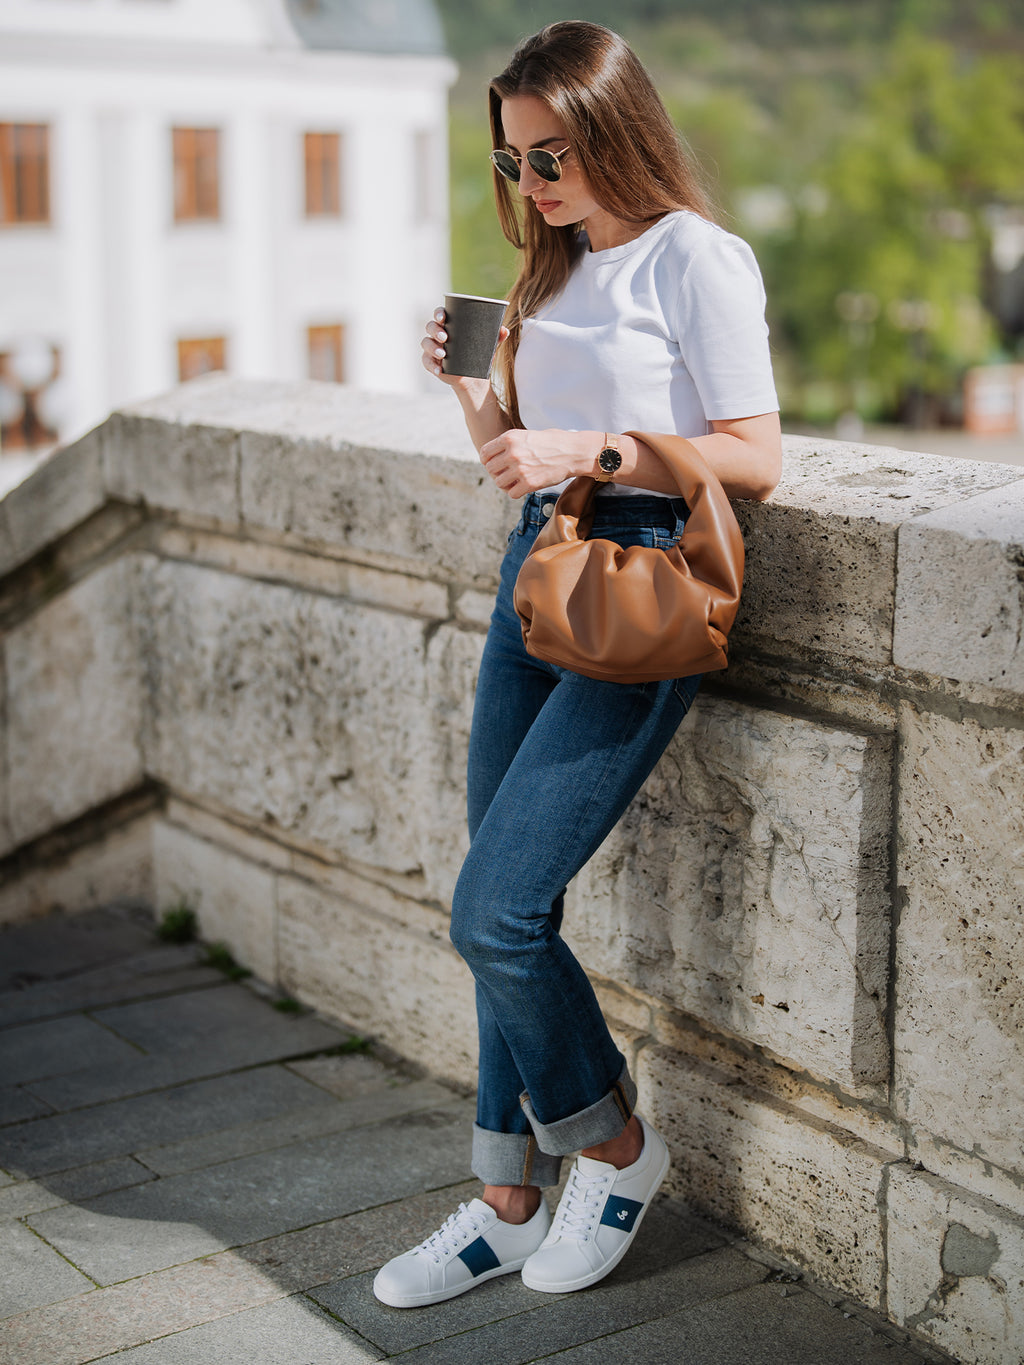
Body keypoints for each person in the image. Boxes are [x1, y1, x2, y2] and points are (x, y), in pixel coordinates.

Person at [373, 20, 781, 1309]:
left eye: (549, 152)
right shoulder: (550, 274)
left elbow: (757, 453)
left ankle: (613, 1150)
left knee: (494, 910)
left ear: (613, 129)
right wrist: (471, 394)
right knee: (497, 904)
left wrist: (595, 450)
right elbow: (520, 457)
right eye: (509, 159)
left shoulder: (697, 260)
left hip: (641, 588)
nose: (530, 181)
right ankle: (502, 1199)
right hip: (535, 569)